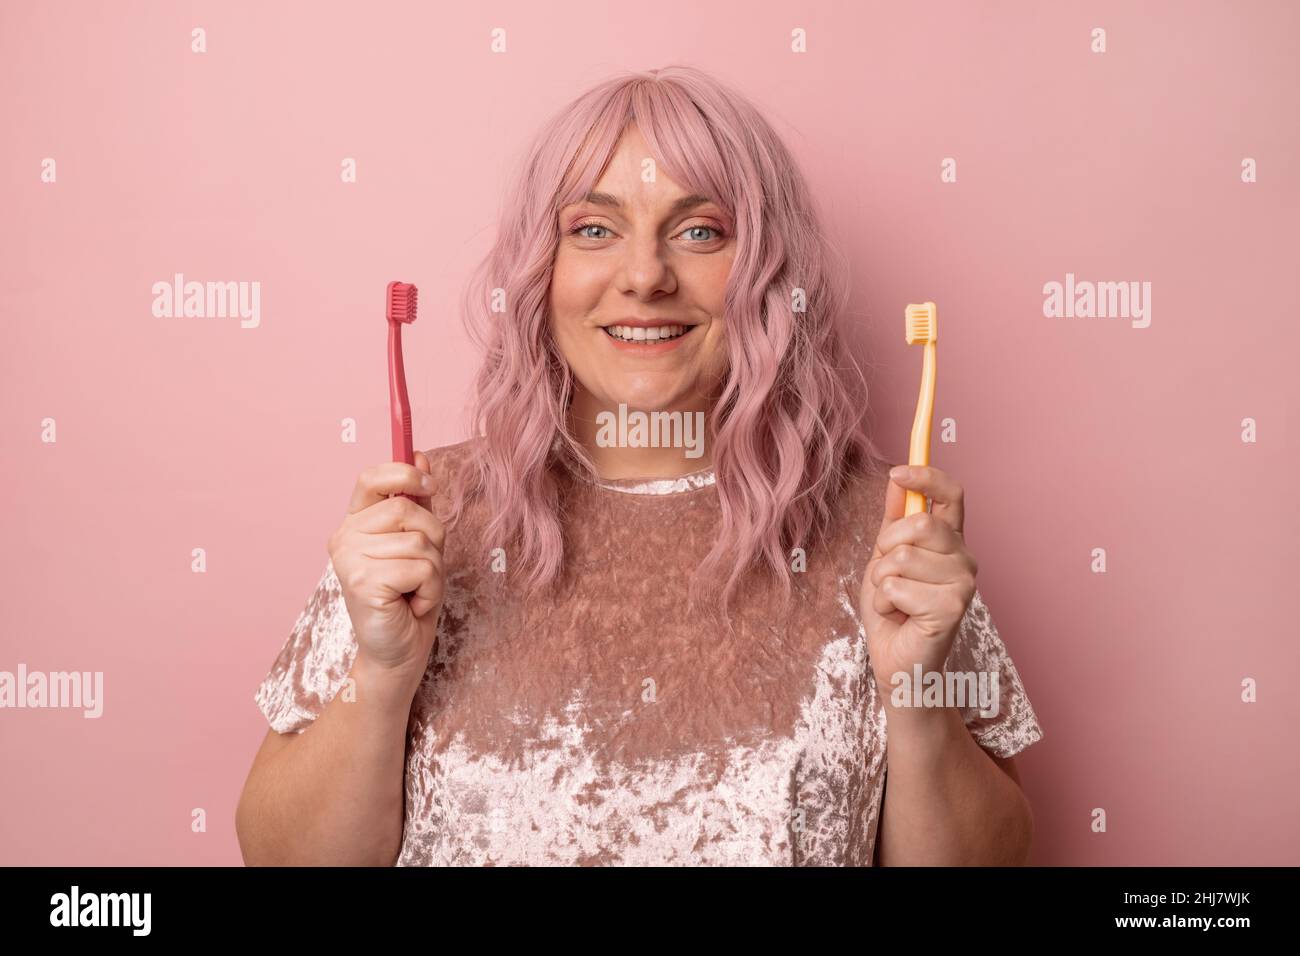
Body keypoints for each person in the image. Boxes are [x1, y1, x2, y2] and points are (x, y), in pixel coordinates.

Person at [235, 65, 1043, 866]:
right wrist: (380, 677)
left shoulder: (892, 537)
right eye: (593, 229)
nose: (646, 276)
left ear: (768, 271)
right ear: (538, 272)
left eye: (700, 232)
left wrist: (918, 697)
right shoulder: (421, 518)